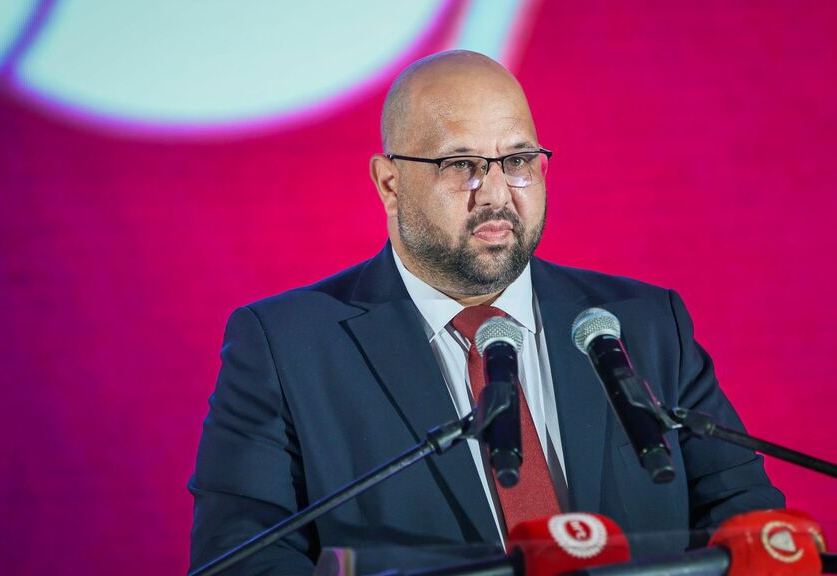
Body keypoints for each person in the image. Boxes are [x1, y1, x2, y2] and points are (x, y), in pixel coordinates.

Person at [188, 50, 784, 575]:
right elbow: (242, 560)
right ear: (390, 184)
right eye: (461, 164)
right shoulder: (285, 349)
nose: (497, 193)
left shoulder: (646, 326)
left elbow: (748, 524)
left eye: (517, 160)